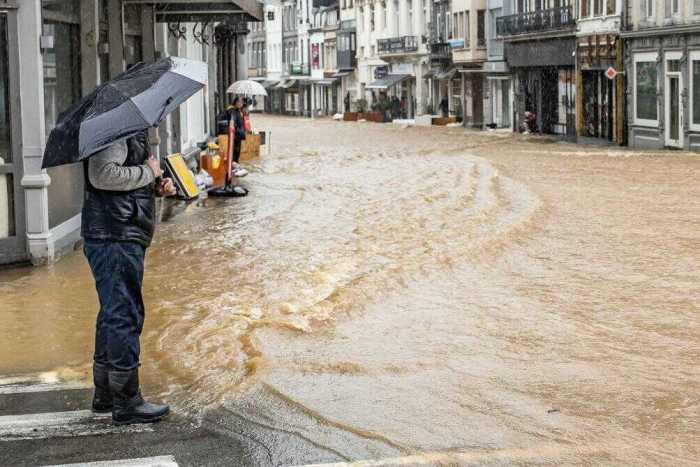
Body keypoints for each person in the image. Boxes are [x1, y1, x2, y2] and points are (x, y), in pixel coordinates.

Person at [82, 129, 176, 425]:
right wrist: (148, 173)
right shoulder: (115, 130)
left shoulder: (130, 129)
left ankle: (106, 393)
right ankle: (126, 401)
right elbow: (102, 175)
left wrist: (156, 185)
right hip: (115, 235)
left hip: (119, 231)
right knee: (124, 314)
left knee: (114, 312)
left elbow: (126, 178)